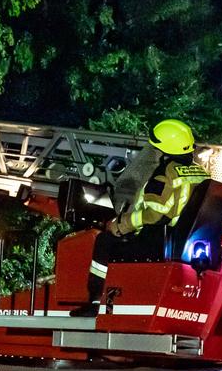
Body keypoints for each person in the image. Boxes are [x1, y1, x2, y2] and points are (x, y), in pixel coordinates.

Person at [75, 119, 209, 315]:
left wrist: (121, 225)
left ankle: (95, 301)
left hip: (155, 243)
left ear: (164, 149)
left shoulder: (165, 173)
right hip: (183, 244)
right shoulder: (201, 173)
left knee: (104, 241)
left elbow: (156, 215)